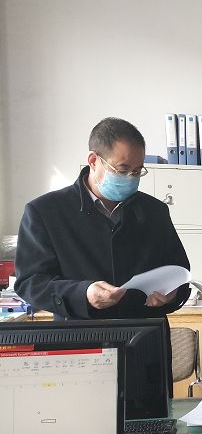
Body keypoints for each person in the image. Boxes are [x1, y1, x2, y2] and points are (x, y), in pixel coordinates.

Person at [15, 117, 191, 320]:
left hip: (145, 329)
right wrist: (82, 293)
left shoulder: (154, 211)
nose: (131, 178)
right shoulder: (45, 212)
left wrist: (172, 293)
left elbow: (179, 270)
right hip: (81, 333)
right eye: (123, 170)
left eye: (137, 171)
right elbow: (31, 282)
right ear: (93, 161)